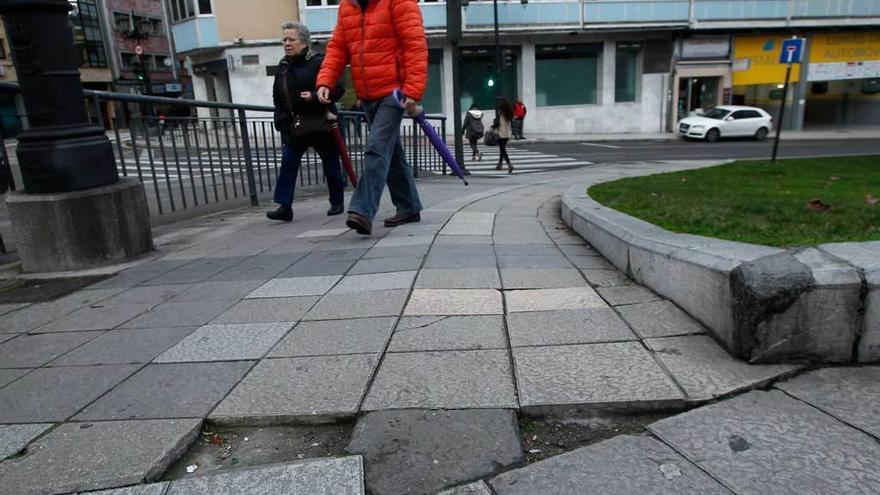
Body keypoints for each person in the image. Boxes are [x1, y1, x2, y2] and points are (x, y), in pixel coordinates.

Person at [316, 0, 427, 236]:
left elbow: (414, 46)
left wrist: (413, 91)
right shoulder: (348, 6)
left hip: (393, 92)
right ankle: (409, 206)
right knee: (391, 152)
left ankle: (363, 211)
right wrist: (325, 80)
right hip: (367, 94)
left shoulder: (400, 2)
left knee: (376, 148)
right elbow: (337, 47)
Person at [267, 21, 346, 222]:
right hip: (295, 127)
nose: (286, 43)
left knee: (331, 166)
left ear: (304, 42)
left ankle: (337, 202)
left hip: (322, 124)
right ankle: (284, 206)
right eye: (284, 39)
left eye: (291, 39)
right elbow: (278, 98)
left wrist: (314, 95)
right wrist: (280, 120)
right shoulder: (283, 66)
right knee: (288, 163)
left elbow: (338, 89)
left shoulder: (320, 61)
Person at [494, 98, 514, 173]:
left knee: (502, 150)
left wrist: (492, 127)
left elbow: (498, 123)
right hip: (507, 133)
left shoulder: (500, 113)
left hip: (501, 133)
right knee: (502, 149)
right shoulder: (509, 113)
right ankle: (499, 164)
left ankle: (509, 164)